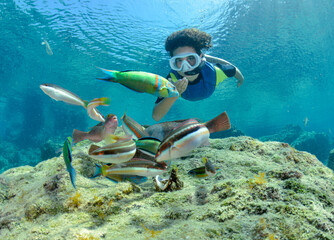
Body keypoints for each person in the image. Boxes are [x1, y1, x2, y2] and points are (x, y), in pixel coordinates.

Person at [152, 28, 244, 121]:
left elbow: (233, 69)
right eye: (179, 60)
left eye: (191, 58)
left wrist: (241, 79)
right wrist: (174, 94)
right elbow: (156, 117)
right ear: (173, 63)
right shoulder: (170, 82)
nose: (185, 67)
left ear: (199, 58)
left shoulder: (215, 72)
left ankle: (205, 57)